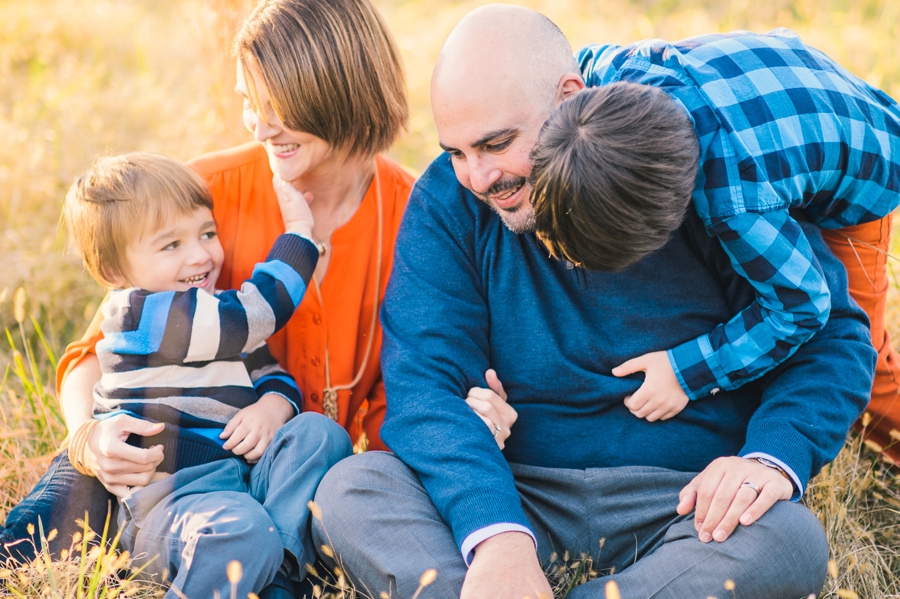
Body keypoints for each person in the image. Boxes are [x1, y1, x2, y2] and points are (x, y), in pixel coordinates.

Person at [309, 6, 875, 599]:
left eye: (496, 144)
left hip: (684, 502)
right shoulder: (449, 202)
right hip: (517, 490)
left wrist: (767, 459)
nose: (476, 177)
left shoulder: (685, 174)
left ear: (568, 98)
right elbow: (424, 382)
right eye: (455, 151)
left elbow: (829, 333)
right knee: (355, 486)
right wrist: (495, 533)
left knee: (789, 540)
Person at [527, 31, 900, 432]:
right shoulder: (609, 72)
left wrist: (688, 371)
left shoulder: (736, 203)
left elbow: (803, 307)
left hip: (866, 162)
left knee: (865, 360)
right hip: (782, 90)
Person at [36, 152, 351, 599]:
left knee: (320, 433)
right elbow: (257, 312)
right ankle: (263, 559)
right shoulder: (139, 314)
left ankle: (274, 564)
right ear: (114, 271)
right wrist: (301, 236)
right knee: (239, 530)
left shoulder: (214, 317)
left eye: (207, 233)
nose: (201, 254)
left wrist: (273, 405)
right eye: (171, 245)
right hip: (170, 507)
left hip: (242, 487)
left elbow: (269, 373)